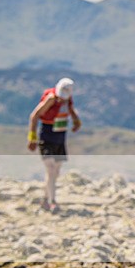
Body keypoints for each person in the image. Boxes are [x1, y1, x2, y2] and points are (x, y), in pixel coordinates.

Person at [27, 77, 82, 213]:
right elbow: (34, 116)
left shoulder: (67, 99)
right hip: (47, 135)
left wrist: (76, 122)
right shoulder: (51, 98)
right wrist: (32, 137)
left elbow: (71, 110)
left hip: (60, 135)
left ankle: (45, 199)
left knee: (55, 171)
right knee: (51, 169)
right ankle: (52, 202)